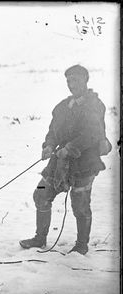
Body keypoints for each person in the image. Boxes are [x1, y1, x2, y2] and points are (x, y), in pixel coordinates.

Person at [19, 64, 112, 255]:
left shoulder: (95, 106)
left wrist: (70, 148)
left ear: (86, 80)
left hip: (85, 165)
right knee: (41, 194)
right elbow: (52, 132)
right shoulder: (62, 107)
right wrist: (49, 146)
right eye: (69, 80)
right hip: (59, 164)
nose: (71, 84)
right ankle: (40, 238)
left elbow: (92, 134)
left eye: (76, 80)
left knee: (80, 205)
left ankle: (81, 245)